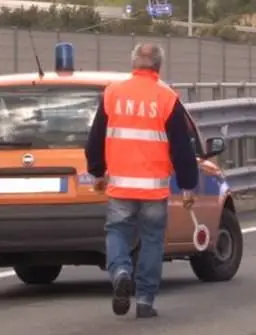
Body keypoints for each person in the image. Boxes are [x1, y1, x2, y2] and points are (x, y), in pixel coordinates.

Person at [84, 43, 198, 318]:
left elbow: (95, 140)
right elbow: (182, 147)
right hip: (154, 188)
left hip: (121, 185)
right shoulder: (167, 98)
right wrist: (187, 185)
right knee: (152, 242)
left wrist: (97, 172)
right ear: (158, 67)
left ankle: (121, 271)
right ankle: (145, 301)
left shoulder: (113, 94)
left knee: (117, 232)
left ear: (134, 64)